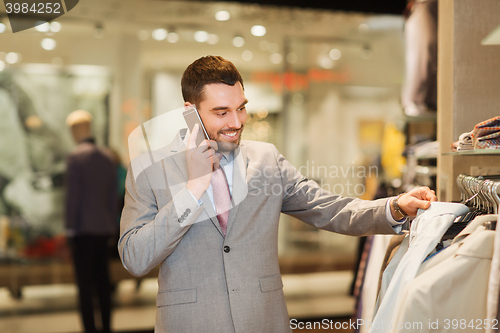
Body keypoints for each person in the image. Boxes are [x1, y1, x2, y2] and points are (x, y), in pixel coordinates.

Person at [119, 56, 437, 333]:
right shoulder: (149, 169)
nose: (236, 122)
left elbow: (331, 209)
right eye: (221, 112)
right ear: (190, 112)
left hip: (264, 322)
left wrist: (395, 206)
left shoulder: (266, 159)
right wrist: (192, 190)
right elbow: (135, 257)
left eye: (241, 108)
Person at [65, 110, 117, 333]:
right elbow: (112, 196)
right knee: (104, 283)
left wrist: (68, 229)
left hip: (83, 230)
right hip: (104, 228)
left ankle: (90, 328)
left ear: (76, 130)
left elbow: (72, 198)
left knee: (85, 287)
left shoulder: (76, 157)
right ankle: (106, 327)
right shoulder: (108, 157)